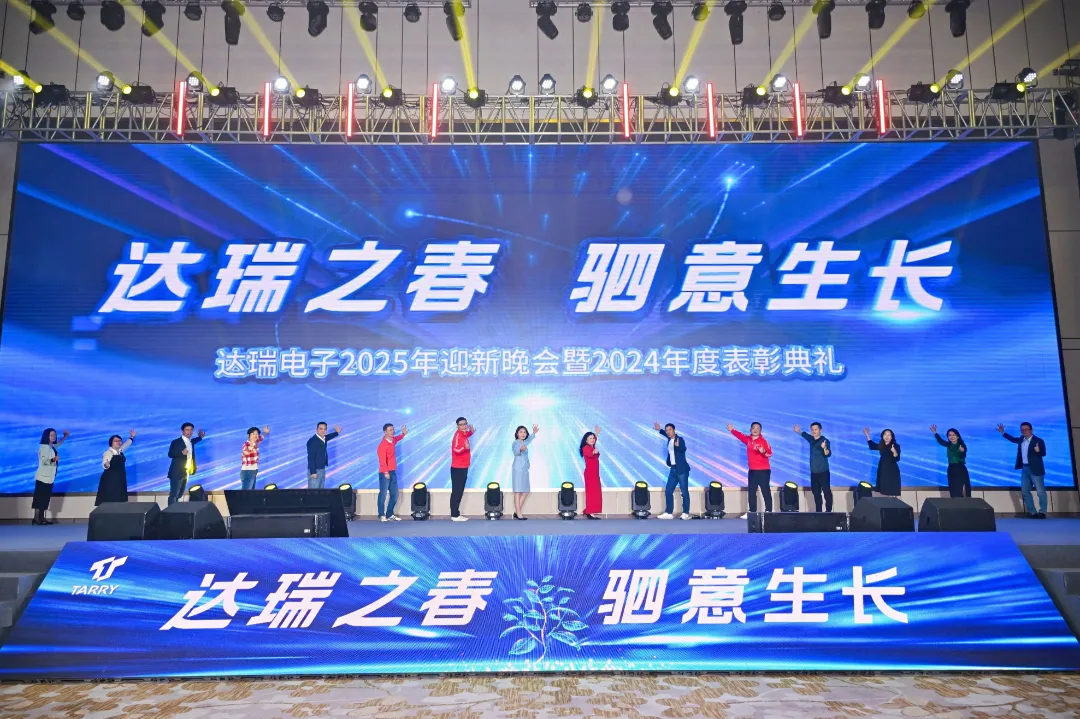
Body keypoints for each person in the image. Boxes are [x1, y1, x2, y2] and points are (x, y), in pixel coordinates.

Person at [998, 422, 1047, 519]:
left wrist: (1038, 451)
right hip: (1025, 468)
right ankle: (1032, 512)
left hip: (1036, 469)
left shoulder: (1038, 441)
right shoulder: (1021, 439)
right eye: (1022, 430)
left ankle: (1043, 512)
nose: (1024, 431)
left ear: (1031, 430)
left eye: (1026, 429)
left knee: (1040, 492)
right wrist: (1003, 432)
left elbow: (1043, 453)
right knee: (1025, 491)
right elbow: (1013, 439)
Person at [727, 422, 772, 512]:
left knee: (765, 491)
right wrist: (732, 430)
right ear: (750, 429)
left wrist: (763, 451)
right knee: (751, 492)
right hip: (752, 471)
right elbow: (740, 436)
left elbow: (769, 454)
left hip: (763, 470)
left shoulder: (763, 441)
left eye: (758, 428)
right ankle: (752, 512)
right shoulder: (748, 440)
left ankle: (769, 511)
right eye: (754, 428)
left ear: (760, 431)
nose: (755, 430)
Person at [654, 421, 691, 520]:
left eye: (670, 430)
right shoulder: (669, 439)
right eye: (667, 430)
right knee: (668, 491)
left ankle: (686, 513)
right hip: (673, 469)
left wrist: (678, 446)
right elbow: (665, 434)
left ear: (674, 430)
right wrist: (659, 430)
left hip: (682, 470)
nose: (668, 432)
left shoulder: (680, 439)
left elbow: (683, 449)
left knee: (684, 492)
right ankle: (669, 512)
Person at [33, 428, 69, 525]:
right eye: (51, 435)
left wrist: (65, 437)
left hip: (49, 477)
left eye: (54, 435)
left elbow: (57, 445)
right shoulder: (44, 447)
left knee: (44, 498)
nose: (54, 437)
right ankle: (36, 518)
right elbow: (44, 461)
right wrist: (54, 459)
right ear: (46, 436)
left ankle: (41, 518)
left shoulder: (50, 446)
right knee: (40, 498)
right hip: (42, 477)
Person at [793, 422, 832, 512]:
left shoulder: (825, 441)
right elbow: (805, 435)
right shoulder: (812, 439)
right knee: (816, 494)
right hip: (814, 473)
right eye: (812, 430)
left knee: (827, 493)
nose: (814, 431)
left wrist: (824, 448)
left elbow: (828, 454)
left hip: (823, 472)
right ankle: (818, 512)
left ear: (820, 430)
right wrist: (798, 431)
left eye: (816, 429)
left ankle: (829, 512)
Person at [377, 423, 409, 522]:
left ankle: (389, 514)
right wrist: (386, 472)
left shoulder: (392, 441)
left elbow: (397, 438)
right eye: (390, 430)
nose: (393, 432)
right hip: (384, 473)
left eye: (393, 430)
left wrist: (403, 434)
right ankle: (381, 515)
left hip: (392, 472)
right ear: (385, 432)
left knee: (395, 495)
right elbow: (382, 461)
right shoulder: (382, 445)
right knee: (383, 495)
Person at [167, 423, 205, 506]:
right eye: (187, 430)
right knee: (174, 494)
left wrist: (200, 437)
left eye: (191, 430)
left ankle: (175, 510)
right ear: (182, 431)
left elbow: (194, 441)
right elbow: (170, 454)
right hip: (176, 472)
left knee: (179, 494)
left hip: (185, 472)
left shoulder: (191, 442)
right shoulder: (176, 442)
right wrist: (181, 453)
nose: (189, 432)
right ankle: (170, 512)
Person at [96, 430, 137, 505]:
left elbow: (126, 444)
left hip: (120, 480)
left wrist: (132, 437)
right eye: (116, 441)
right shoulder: (108, 453)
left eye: (120, 441)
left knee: (119, 501)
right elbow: (105, 463)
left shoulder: (120, 451)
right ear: (111, 443)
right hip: (111, 481)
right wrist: (106, 465)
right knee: (111, 500)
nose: (119, 442)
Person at [930, 424, 969, 498]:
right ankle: (955, 503)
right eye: (949, 435)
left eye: (953, 435)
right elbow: (941, 441)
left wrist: (962, 451)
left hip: (960, 469)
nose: (951, 437)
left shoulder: (962, 446)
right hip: (951, 469)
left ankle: (965, 503)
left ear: (957, 436)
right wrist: (935, 433)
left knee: (963, 489)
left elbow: (963, 456)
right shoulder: (948, 445)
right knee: (953, 488)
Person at [511, 424, 539, 520]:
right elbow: (515, 451)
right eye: (521, 432)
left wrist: (534, 433)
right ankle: (519, 513)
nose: (523, 434)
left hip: (525, 470)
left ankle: (516, 512)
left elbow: (529, 440)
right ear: (517, 434)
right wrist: (520, 449)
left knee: (526, 491)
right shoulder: (515, 443)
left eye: (524, 432)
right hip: (517, 470)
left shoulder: (525, 442)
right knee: (517, 491)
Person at [450, 417, 475, 521]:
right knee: (457, 491)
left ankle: (456, 514)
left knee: (459, 491)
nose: (464, 426)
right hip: (457, 468)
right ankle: (454, 515)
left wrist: (471, 432)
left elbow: (466, 436)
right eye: (461, 424)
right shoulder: (457, 436)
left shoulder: (463, 434)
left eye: (465, 424)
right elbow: (455, 449)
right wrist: (465, 448)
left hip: (464, 466)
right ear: (457, 426)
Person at [864, 427, 901, 497]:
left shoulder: (896, 446)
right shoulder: (882, 445)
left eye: (889, 435)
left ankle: (899, 503)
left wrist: (894, 452)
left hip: (892, 471)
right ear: (882, 436)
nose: (887, 437)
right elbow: (872, 446)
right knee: (886, 492)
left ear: (892, 437)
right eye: (885, 434)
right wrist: (867, 435)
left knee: (894, 492)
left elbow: (897, 458)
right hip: (883, 469)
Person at [306, 422, 342, 489]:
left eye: (325, 429)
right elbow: (311, 458)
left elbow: (328, 437)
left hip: (321, 470)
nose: (323, 431)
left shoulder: (322, 438)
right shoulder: (312, 441)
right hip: (315, 470)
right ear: (317, 430)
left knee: (320, 493)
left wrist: (336, 432)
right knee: (313, 493)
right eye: (321, 429)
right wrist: (313, 472)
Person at [580, 426, 602, 519]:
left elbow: (594, 441)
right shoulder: (586, 448)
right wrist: (594, 452)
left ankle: (590, 511)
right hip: (590, 474)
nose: (593, 440)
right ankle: (589, 511)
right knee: (591, 493)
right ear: (586, 440)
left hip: (595, 474)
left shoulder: (591, 446)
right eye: (590, 438)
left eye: (593, 438)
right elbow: (589, 454)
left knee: (596, 493)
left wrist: (596, 433)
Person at [240, 425, 270, 490]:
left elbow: (261, 438)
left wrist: (265, 432)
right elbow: (246, 453)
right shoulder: (246, 444)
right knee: (246, 493)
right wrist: (251, 446)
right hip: (248, 471)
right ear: (248, 435)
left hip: (253, 470)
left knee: (251, 492)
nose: (255, 435)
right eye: (253, 434)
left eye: (257, 434)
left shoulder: (255, 442)